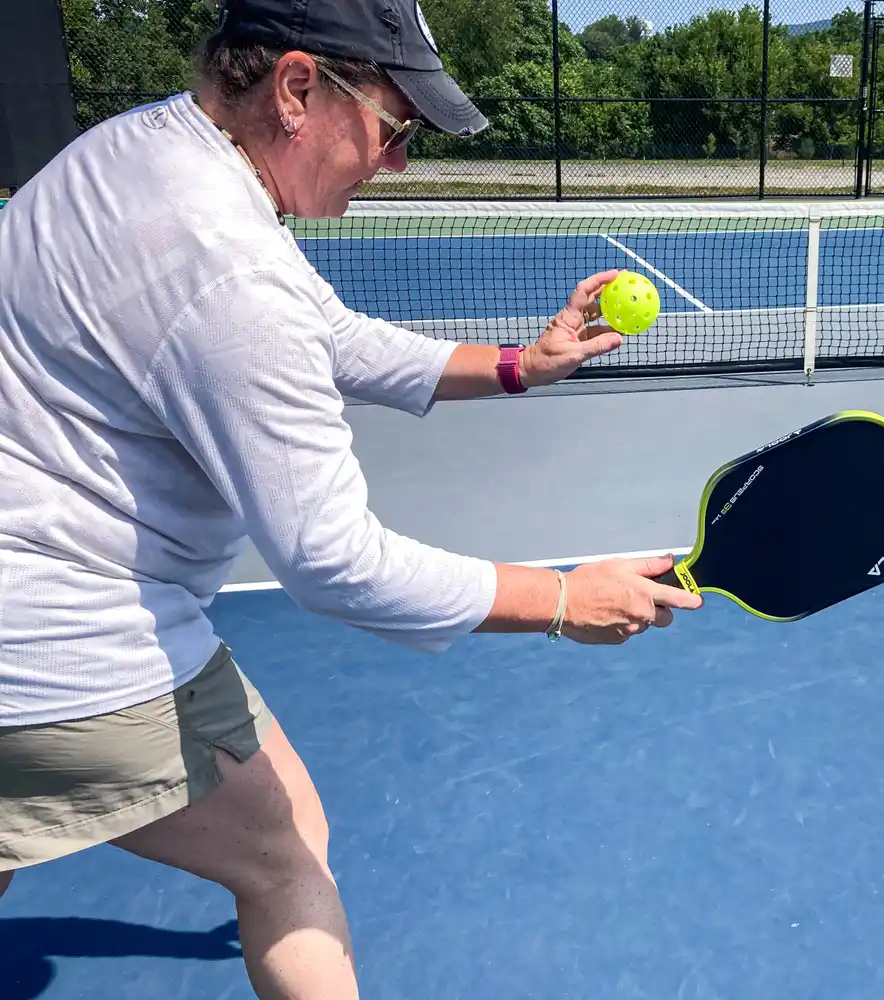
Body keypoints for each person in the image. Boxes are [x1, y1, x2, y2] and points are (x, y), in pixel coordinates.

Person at [0, 0, 701, 996]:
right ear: (295, 89)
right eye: (394, 127)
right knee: (288, 855)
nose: (399, 161)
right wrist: (561, 600)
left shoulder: (134, 149)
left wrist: (518, 364)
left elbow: (327, 332)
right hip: (68, 645)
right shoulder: (236, 276)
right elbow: (336, 560)